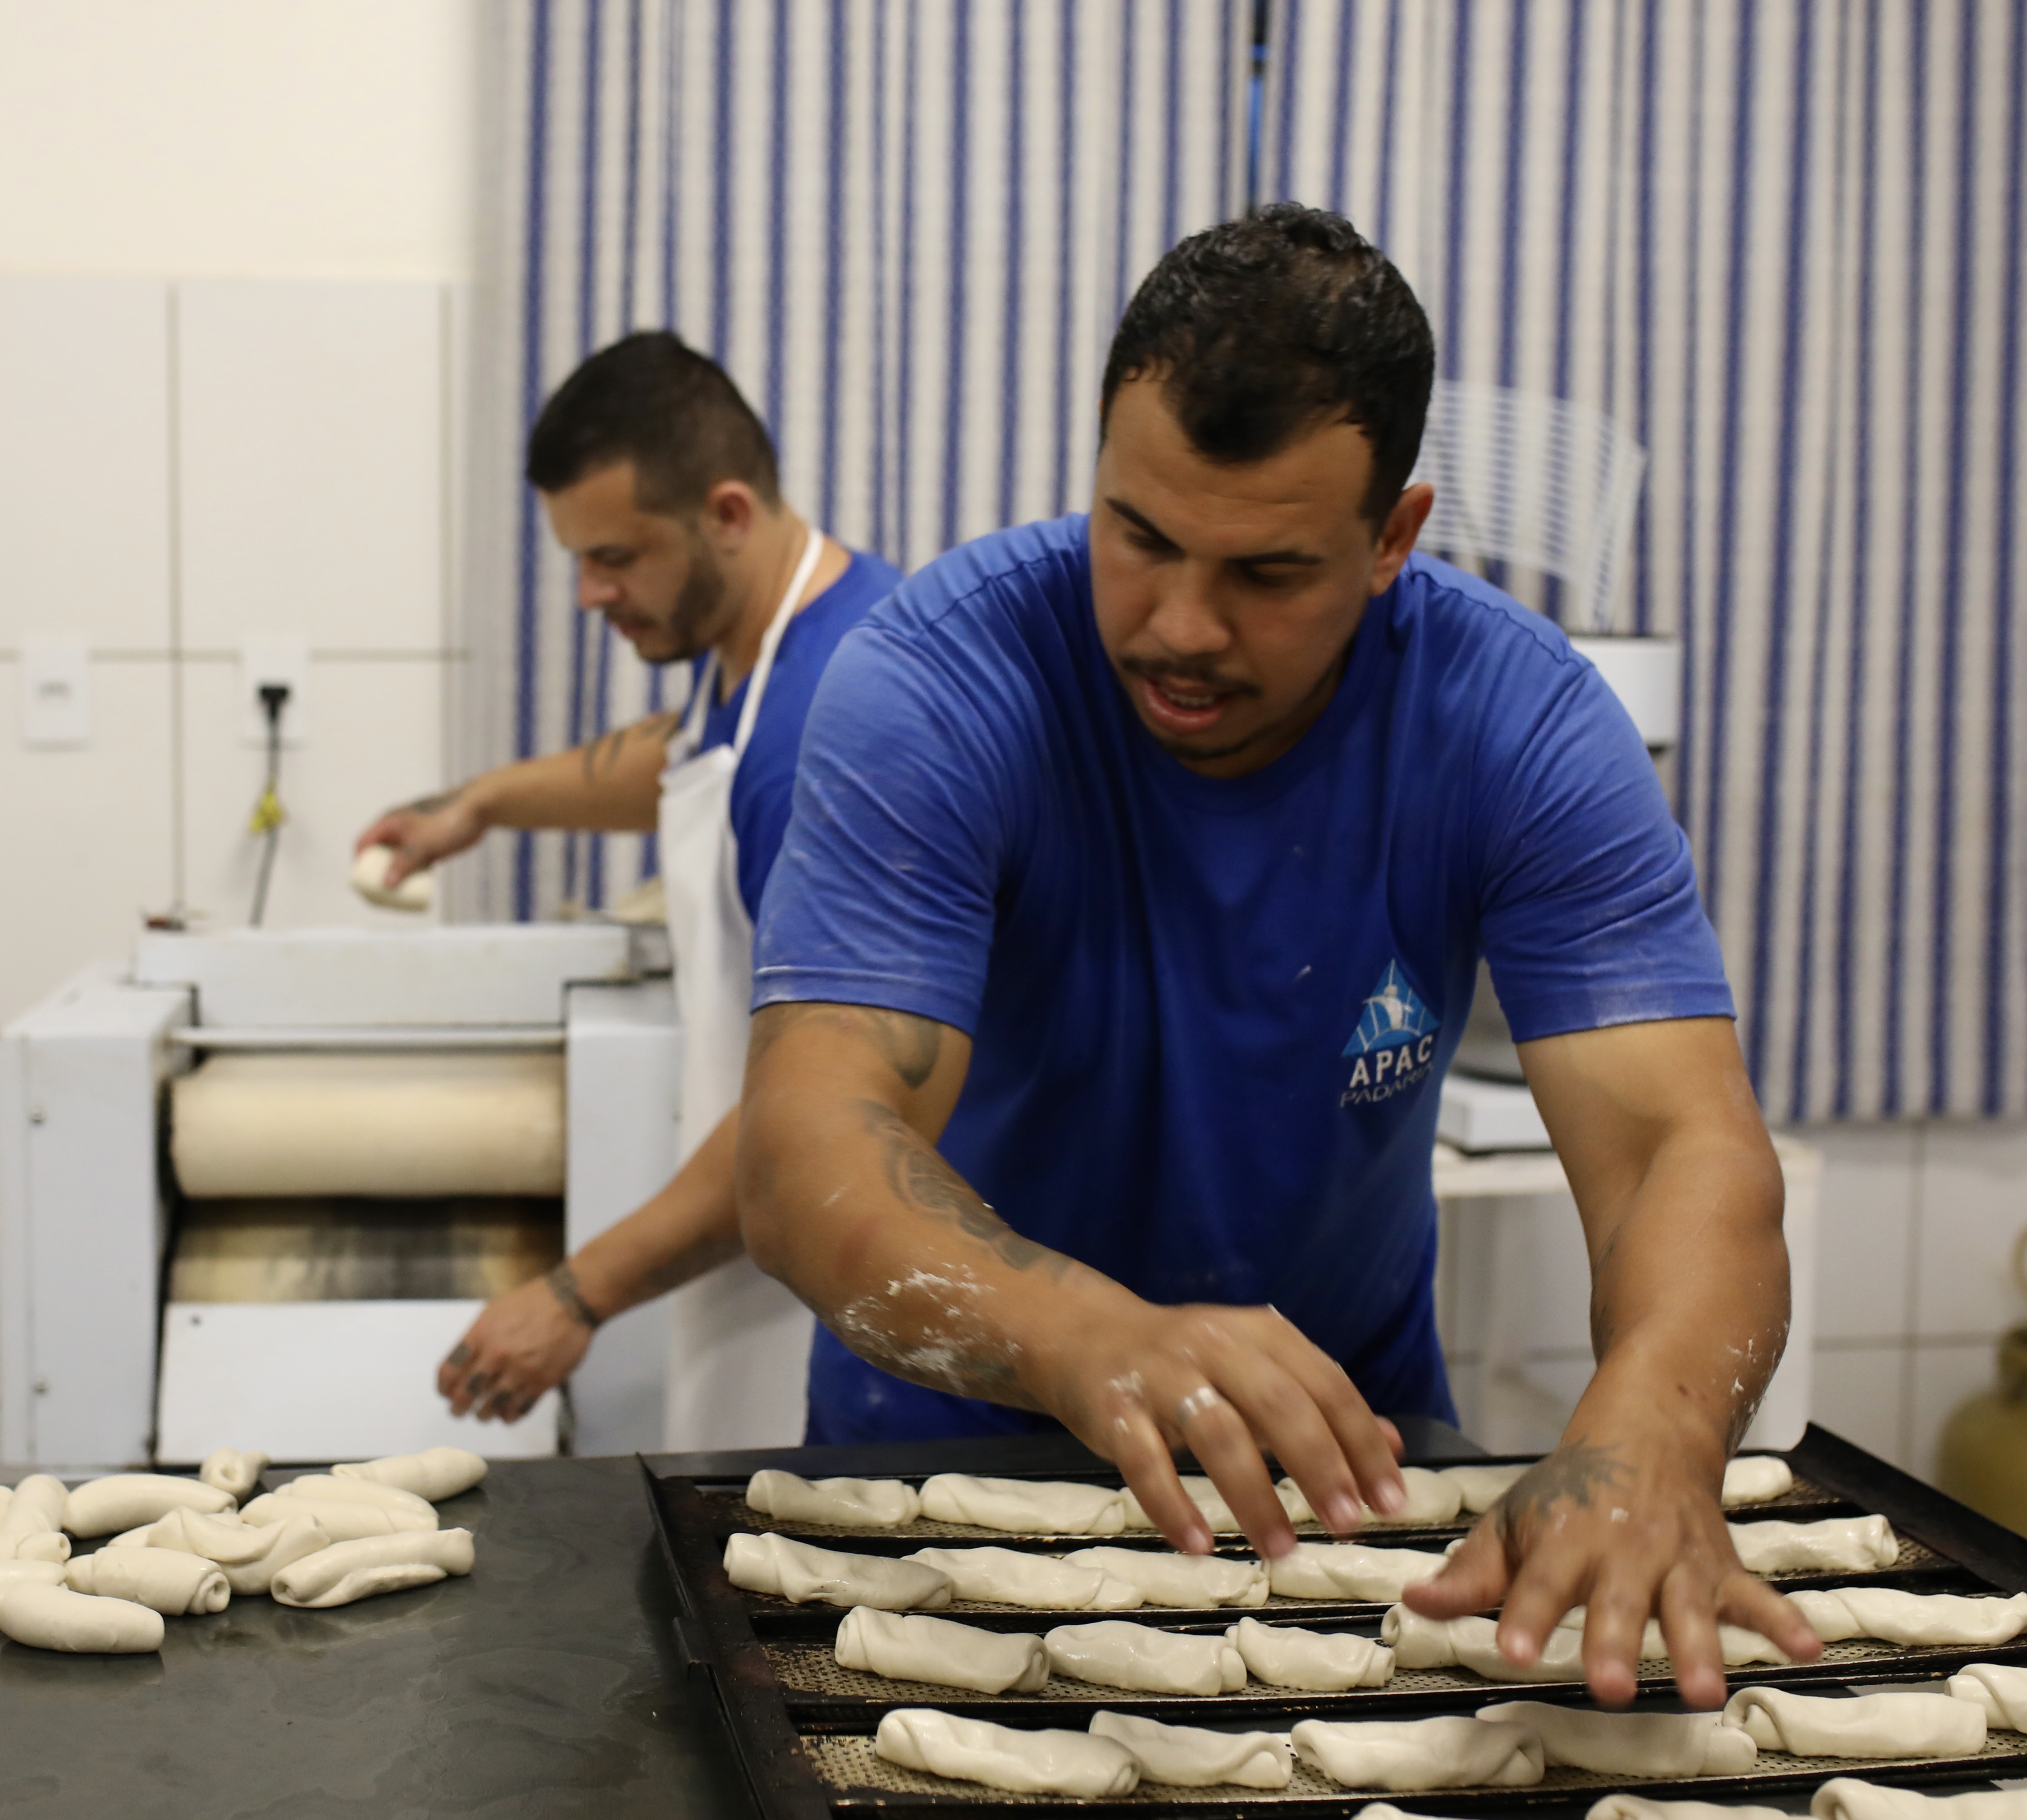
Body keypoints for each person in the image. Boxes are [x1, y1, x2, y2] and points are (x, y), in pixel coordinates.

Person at [735, 206, 1820, 1708]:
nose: (1180, 624)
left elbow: (1677, 1144)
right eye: (1141, 536)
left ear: (1393, 539)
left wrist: (1652, 1435)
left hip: (1348, 1497)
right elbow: (811, 1147)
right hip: (941, 1487)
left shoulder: (1513, 719)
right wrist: (1090, 1335)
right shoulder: (941, 683)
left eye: (1266, 574)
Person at [357, 331, 899, 1446]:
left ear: (729, 513)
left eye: (615, 557)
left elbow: (817, 1104)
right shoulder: (758, 645)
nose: (590, 592)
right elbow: (686, 755)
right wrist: (481, 804)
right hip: (757, 1236)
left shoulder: (831, 728)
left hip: (836, 1275)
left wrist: (575, 1293)